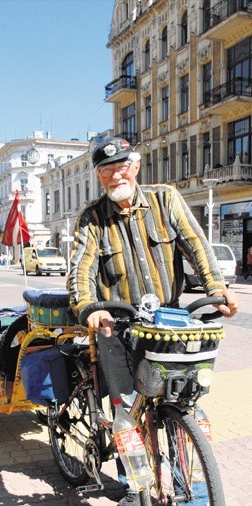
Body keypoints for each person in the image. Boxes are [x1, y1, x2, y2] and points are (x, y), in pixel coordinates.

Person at [67, 136, 239, 505]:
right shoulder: (92, 219)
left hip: (168, 322)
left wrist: (216, 287)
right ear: (99, 176)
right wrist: (88, 307)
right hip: (117, 327)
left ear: (137, 166)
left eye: (123, 166)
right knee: (126, 409)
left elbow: (196, 244)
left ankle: (191, 489)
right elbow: (80, 270)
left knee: (183, 400)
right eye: (107, 169)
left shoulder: (165, 199)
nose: (117, 174)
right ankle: (135, 487)